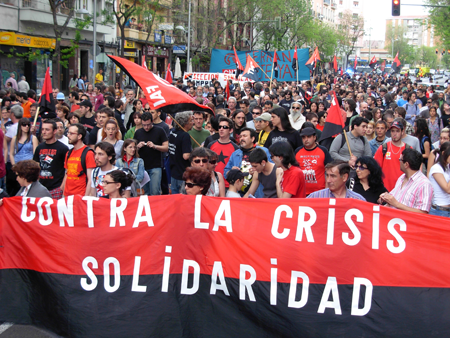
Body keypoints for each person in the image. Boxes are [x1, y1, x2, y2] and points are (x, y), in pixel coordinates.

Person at [380, 148, 433, 214]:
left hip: (407, 223)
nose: (399, 162)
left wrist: (397, 204)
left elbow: (423, 213)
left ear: (406, 164)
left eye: (400, 160)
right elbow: (393, 197)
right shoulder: (402, 177)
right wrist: (385, 197)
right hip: (393, 221)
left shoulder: (424, 184)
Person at [224, 128, 272, 197]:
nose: (241, 138)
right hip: (240, 195)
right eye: (240, 136)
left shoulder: (263, 151)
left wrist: (258, 171)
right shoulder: (235, 154)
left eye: (244, 136)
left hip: (259, 194)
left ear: (252, 139)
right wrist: (232, 171)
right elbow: (226, 173)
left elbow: (271, 170)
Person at [32, 119, 68, 199]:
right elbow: (35, 166)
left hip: (56, 188)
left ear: (54, 131)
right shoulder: (39, 147)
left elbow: (67, 170)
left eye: (47, 130)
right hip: (41, 187)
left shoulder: (63, 148)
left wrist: (61, 188)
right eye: (42, 129)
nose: (44, 132)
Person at [134, 112, 168, 195]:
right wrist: (137, 147)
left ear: (152, 121)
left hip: (155, 166)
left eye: (148, 125)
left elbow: (166, 147)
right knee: (146, 193)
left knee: (155, 192)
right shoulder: (138, 132)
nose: (146, 127)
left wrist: (155, 146)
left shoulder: (159, 130)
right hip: (142, 167)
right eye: (144, 125)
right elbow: (131, 149)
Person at [295, 127, 332, 195]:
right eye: (303, 137)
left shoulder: (323, 151)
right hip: (301, 193)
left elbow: (329, 170)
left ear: (315, 137)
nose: (306, 139)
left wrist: (326, 191)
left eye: (309, 137)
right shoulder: (297, 151)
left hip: (320, 193)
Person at [63, 123, 96, 196]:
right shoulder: (69, 153)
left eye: (71, 133)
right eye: (68, 133)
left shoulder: (88, 153)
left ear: (79, 136)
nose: (68, 135)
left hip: (80, 196)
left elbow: (90, 179)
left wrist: (85, 197)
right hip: (67, 196)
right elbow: (67, 174)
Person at [207, 116, 239, 185]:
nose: (221, 129)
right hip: (212, 183)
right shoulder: (211, 145)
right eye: (220, 127)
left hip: (228, 184)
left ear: (230, 130)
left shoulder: (235, 148)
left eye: (224, 127)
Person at [168, 111, 193, 194]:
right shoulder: (185, 135)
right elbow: (186, 156)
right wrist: (196, 153)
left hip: (173, 174)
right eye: (190, 121)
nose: (192, 123)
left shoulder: (172, 132)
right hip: (182, 175)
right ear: (184, 123)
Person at [428, 144, 450, 217]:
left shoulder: (447, 167)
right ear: (443, 153)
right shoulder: (436, 168)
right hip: (439, 210)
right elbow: (447, 189)